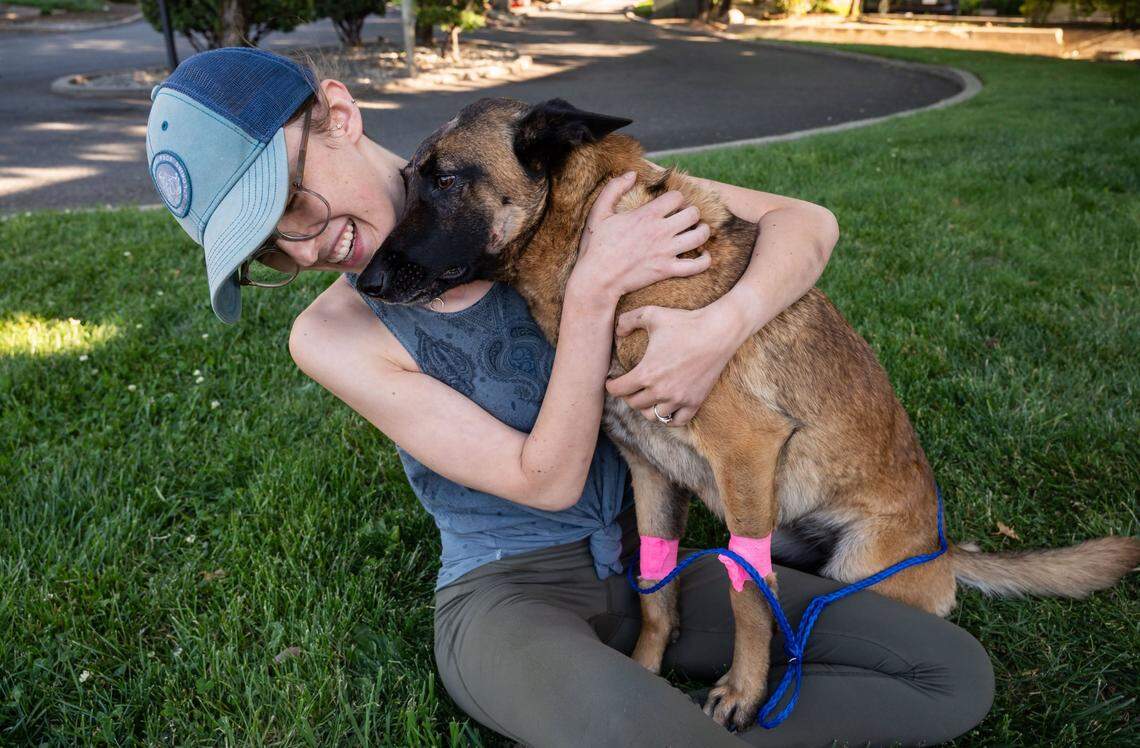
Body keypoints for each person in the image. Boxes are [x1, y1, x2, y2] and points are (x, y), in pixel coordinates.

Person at [145, 47, 994, 746]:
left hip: (653, 568)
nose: (307, 245)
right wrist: (593, 293)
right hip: (513, 598)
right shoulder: (330, 334)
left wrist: (719, 325)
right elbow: (544, 480)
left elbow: (807, 223)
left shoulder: (545, 177)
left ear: (339, 112)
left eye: (294, 200)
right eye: (271, 249)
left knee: (949, 676)